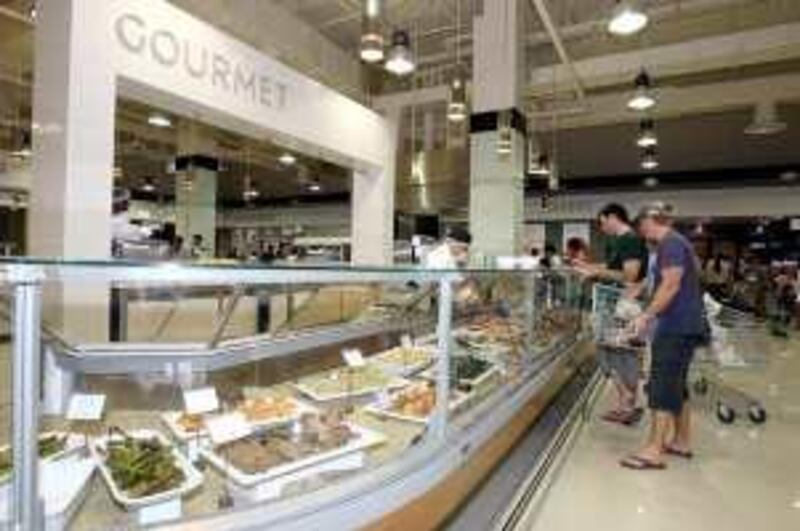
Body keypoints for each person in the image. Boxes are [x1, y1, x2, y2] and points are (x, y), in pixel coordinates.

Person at [622, 202, 705, 470]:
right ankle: (681, 440)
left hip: (675, 325)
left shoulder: (670, 243)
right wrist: (640, 291)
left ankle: (654, 450)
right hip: (683, 324)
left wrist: (645, 316)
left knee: (661, 385)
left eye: (640, 224)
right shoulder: (675, 244)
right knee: (676, 385)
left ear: (650, 221)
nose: (640, 230)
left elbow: (670, 285)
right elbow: (663, 282)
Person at [576, 203, 649, 425]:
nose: (601, 226)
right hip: (617, 303)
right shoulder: (620, 242)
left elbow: (630, 275)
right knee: (615, 351)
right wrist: (589, 267)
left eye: (602, 221)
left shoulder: (629, 240)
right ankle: (626, 403)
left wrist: (595, 270)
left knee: (620, 353)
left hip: (625, 305)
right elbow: (612, 267)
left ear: (612, 217)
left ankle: (628, 403)